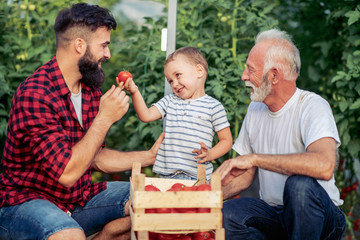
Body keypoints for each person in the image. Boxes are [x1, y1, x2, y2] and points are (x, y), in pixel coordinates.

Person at [0, 3, 164, 240]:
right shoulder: (36, 94)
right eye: (104, 45)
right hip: (25, 203)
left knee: (152, 201)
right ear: (80, 45)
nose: (108, 54)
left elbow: (93, 155)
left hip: (77, 199)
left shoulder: (89, 90)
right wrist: (104, 118)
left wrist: (148, 156)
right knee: (69, 235)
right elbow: (67, 172)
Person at [214, 29, 345, 240]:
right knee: (227, 215)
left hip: (321, 218)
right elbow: (246, 173)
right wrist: (202, 197)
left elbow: (324, 165)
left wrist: (256, 158)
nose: (244, 76)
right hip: (275, 214)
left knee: (299, 187)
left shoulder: (312, 106)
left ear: (273, 75)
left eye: (250, 70)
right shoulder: (255, 109)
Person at [119, 47, 233, 181]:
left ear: (199, 71)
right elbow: (146, 116)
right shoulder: (170, 101)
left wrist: (210, 154)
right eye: (170, 80)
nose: (174, 84)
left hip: (196, 177)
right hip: (166, 175)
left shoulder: (214, 107)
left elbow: (226, 141)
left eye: (178, 75)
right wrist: (134, 91)